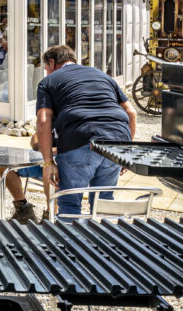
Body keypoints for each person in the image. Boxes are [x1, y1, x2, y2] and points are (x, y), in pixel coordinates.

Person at [37, 44, 137, 217]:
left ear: (52, 63)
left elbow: (43, 119)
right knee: (103, 203)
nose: (46, 72)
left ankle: (69, 243)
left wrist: (48, 162)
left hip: (78, 139)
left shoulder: (48, 81)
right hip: (116, 142)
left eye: (46, 68)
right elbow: (131, 112)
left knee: (69, 204)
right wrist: (126, 151)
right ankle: (101, 242)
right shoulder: (103, 76)